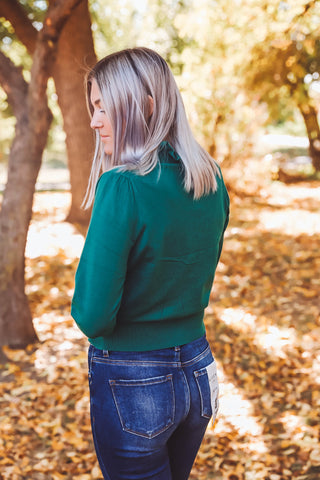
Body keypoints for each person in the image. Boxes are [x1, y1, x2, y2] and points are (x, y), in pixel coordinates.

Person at [71, 47, 229, 480]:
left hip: (134, 378)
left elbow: (92, 314)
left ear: (143, 104)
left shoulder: (122, 186)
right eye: (93, 107)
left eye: (104, 107)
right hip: (197, 368)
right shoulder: (211, 180)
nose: (94, 120)